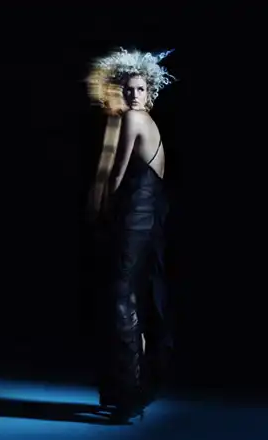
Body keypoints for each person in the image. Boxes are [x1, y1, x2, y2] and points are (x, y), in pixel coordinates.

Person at [86, 48, 175, 423]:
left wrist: (103, 211)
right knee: (131, 297)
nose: (134, 95)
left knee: (121, 298)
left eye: (140, 89)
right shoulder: (145, 120)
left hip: (134, 217)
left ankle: (128, 394)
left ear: (149, 92)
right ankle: (129, 388)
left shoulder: (135, 119)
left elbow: (117, 174)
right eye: (129, 89)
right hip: (148, 218)